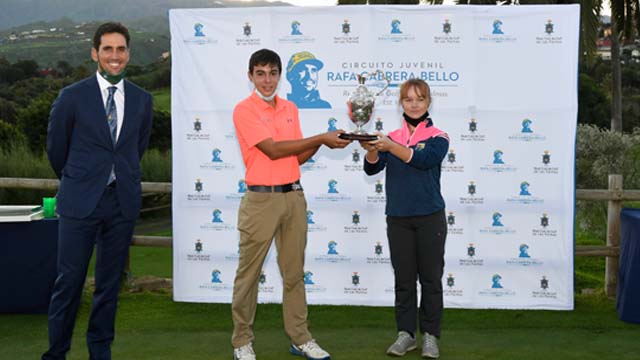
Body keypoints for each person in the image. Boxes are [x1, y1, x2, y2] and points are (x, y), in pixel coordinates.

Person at [43, 22, 153, 360]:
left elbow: (137, 148)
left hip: (121, 204)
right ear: (95, 53)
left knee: (108, 287)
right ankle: (56, 353)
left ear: (128, 54)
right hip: (79, 204)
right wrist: (81, 180)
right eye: (108, 49)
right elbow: (56, 150)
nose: (115, 56)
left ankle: (99, 351)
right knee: (69, 284)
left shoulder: (142, 99)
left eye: (121, 49)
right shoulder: (71, 97)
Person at [231, 48, 350, 360]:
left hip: (293, 197)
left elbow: (295, 155)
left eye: (272, 73)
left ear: (280, 75)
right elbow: (272, 149)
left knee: (294, 273)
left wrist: (326, 142)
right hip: (260, 200)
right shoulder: (244, 110)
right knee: (249, 274)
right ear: (250, 76)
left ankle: (300, 338)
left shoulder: (290, 108)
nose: (267, 80)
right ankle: (242, 341)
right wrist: (320, 138)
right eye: (260, 73)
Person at [360, 79, 448, 359]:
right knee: (404, 280)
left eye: (419, 99)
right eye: (408, 99)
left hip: (430, 217)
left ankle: (430, 336)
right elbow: (372, 169)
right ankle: (406, 334)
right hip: (398, 218)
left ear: (428, 102)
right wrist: (373, 150)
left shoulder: (439, 137)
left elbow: (420, 160)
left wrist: (389, 145)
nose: (413, 104)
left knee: (431, 280)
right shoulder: (391, 136)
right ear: (401, 103)